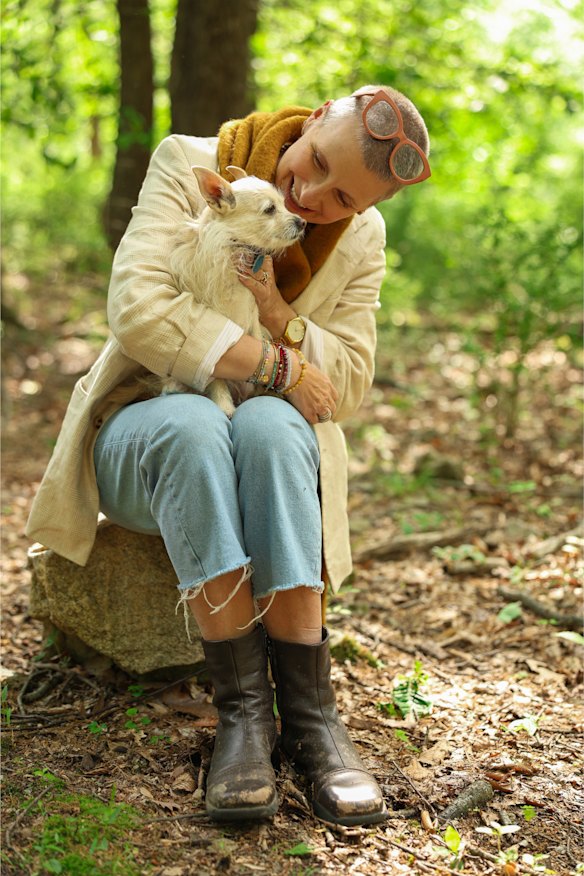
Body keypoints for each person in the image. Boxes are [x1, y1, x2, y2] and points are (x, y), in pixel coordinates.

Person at [26, 85, 431, 826]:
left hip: (258, 441)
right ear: (310, 123)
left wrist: (281, 318)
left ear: (367, 208)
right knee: (192, 424)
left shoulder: (363, 240)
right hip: (146, 431)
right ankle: (244, 713)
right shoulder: (189, 163)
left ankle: (310, 719)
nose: (308, 194)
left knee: (276, 430)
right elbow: (140, 309)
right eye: (312, 162)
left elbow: (348, 384)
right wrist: (277, 366)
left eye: (340, 197)